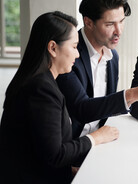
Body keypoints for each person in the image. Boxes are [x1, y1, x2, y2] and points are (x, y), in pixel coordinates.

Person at [0, 12, 119, 183]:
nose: (78, 55)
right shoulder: (41, 89)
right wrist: (96, 137)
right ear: (53, 48)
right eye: (74, 47)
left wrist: (69, 171)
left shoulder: (41, 81)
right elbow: (55, 155)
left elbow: (38, 148)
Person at [57, 0, 138, 138]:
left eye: (122, 22)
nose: (119, 31)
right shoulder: (69, 54)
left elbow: (105, 108)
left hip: (101, 140)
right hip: (73, 145)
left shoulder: (112, 57)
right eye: (110, 24)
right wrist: (132, 94)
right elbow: (81, 109)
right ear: (89, 22)